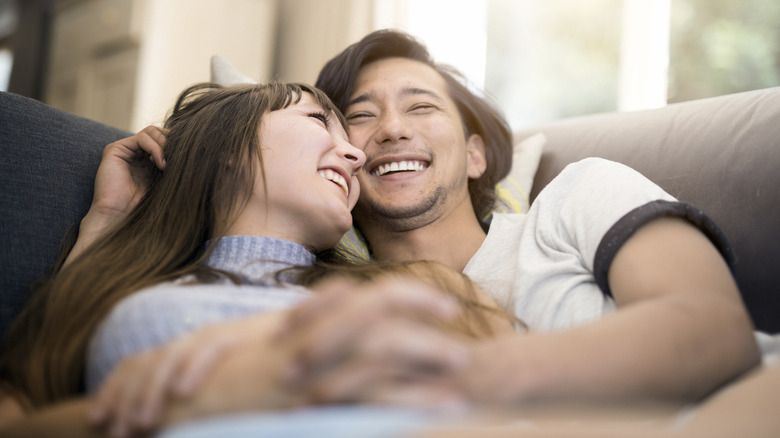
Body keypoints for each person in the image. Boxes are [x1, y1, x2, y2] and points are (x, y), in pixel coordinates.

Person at [5, 28, 762, 433]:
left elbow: (709, 331)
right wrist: (107, 226)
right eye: (351, 117)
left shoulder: (569, 200)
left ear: (475, 155)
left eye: (423, 107)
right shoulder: (367, 285)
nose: (379, 134)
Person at [0, 79, 518, 436]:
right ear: (229, 143)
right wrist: (107, 224)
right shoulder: (130, 294)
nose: (357, 155)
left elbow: (516, 403)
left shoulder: (414, 287)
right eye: (319, 120)